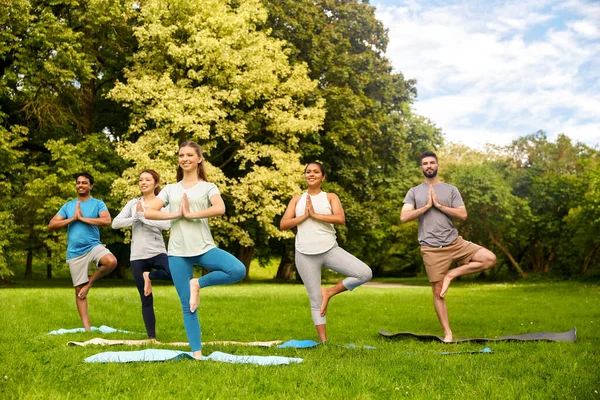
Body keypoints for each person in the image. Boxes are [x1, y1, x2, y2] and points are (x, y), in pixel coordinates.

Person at [144, 141, 245, 359]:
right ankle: (196, 353)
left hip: (204, 247)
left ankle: (197, 283)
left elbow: (220, 208)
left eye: (190, 155)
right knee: (186, 305)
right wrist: (177, 214)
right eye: (181, 155)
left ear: (199, 159)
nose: (185, 158)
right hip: (178, 253)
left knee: (237, 270)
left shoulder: (208, 187)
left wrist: (191, 215)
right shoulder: (171, 189)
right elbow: (149, 212)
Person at [400, 151, 497, 342]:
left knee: (489, 258)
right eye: (425, 163)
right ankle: (448, 334)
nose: (428, 166)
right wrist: (426, 207)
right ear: (421, 167)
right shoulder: (414, 192)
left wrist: (439, 206)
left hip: (454, 242)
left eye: (432, 162)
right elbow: (404, 217)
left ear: (437, 165)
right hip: (431, 248)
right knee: (438, 291)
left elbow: (463, 214)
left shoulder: (450, 190)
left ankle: (451, 275)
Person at [280, 162, 372, 342]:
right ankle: (324, 342)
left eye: (316, 172)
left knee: (364, 273)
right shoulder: (297, 199)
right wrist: (304, 216)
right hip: (305, 254)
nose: (311, 174)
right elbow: (283, 224)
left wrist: (315, 215)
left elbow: (340, 218)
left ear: (323, 177)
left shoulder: (330, 197)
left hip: (330, 250)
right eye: (308, 172)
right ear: (305, 176)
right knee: (315, 300)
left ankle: (329, 292)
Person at [48, 172, 118, 331]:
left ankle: (90, 282)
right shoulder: (68, 206)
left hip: (93, 246)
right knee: (79, 291)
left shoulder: (98, 204)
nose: (80, 185)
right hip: (75, 252)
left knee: (111, 261)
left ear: (91, 186)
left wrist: (82, 219)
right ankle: (87, 330)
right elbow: (52, 224)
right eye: (78, 182)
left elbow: (106, 221)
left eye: (84, 183)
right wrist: (72, 219)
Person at [112, 170, 172, 340]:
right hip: (137, 255)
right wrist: (135, 218)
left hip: (157, 251)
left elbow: (166, 225)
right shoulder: (133, 203)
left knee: (171, 273)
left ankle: (149, 276)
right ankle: (151, 338)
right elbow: (115, 223)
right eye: (141, 180)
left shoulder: (161, 203)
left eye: (148, 179)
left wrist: (143, 216)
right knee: (146, 298)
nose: (143, 182)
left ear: (156, 184)